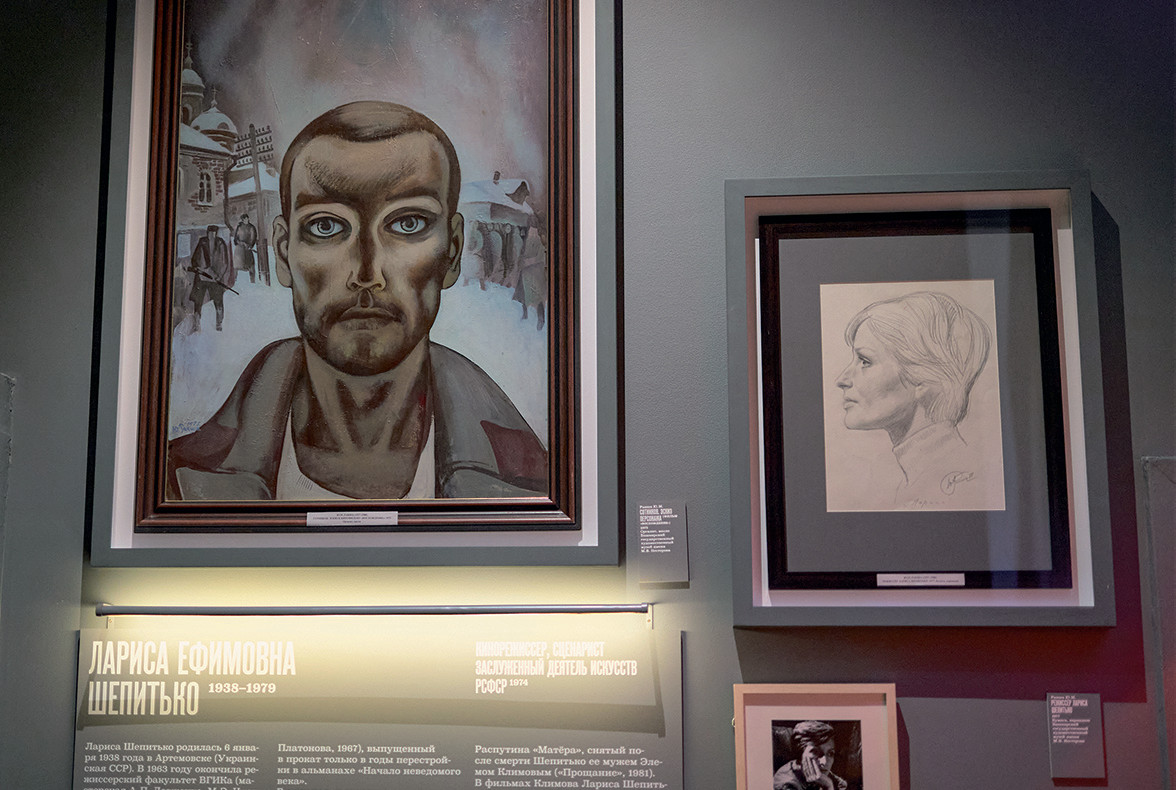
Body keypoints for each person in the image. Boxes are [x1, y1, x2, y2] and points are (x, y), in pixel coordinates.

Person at [167, 101, 547, 501]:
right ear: (283, 253)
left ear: (452, 253)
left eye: (408, 223)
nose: (367, 272)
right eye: (325, 226)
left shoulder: (530, 481)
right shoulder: (179, 483)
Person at [835, 290, 992, 509]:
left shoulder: (957, 483)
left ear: (923, 379)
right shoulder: (919, 478)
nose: (841, 380)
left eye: (865, 361)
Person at [772, 721, 848, 790]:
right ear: (800, 754)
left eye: (830, 753)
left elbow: (841, 784)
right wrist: (828, 786)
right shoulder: (787, 784)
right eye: (815, 752)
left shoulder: (820, 772)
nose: (824, 762)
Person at [188, 224, 233, 332]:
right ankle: (196, 324)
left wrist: (218, 276)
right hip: (202, 276)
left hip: (216, 278)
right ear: (207, 233)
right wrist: (198, 268)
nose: (211, 235)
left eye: (213, 233)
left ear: (216, 233)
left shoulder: (220, 243)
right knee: (198, 300)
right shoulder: (202, 241)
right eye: (209, 233)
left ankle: (219, 324)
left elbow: (224, 262)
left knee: (218, 301)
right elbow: (195, 257)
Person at [232, 213, 258, 283]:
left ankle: (252, 281)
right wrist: (240, 243)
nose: (246, 220)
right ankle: (234, 280)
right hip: (239, 249)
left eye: (247, 218)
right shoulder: (239, 227)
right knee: (236, 265)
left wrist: (250, 245)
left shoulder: (251, 227)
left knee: (250, 265)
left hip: (247, 249)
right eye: (244, 219)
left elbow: (253, 238)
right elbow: (236, 238)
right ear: (242, 220)